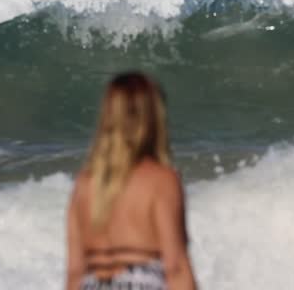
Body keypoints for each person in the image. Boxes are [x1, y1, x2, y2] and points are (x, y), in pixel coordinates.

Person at [65, 72, 197, 290]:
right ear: (153, 118)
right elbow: (175, 267)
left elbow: (74, 273)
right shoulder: (161, 180)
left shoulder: (85, 184)